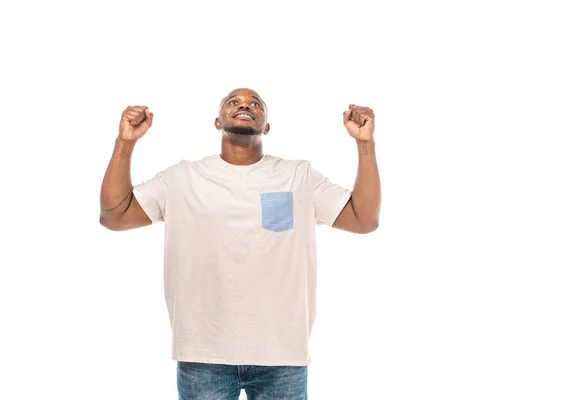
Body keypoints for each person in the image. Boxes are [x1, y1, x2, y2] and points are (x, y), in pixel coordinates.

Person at [99, 88, 381, 399]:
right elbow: (115, 216)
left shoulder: (298, 177)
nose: (244, 105)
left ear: (267, 126)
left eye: (254, 103)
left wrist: (364, 144)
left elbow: (364, 219)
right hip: (203, 356)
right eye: (233, 102)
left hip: (282, 356)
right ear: (217, 123)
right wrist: (125, 143)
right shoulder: (183, 178)